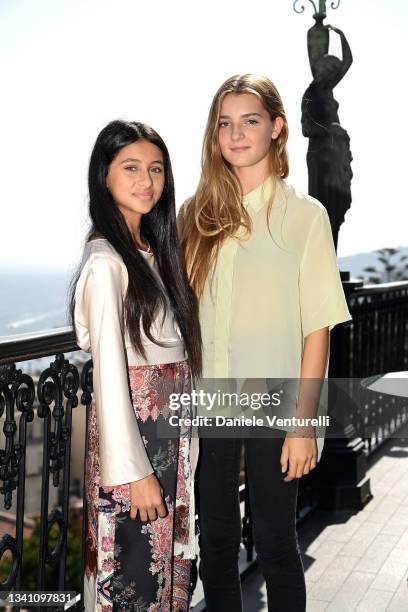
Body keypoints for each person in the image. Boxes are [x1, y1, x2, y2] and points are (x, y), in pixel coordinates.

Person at [178, 74, 352, 612]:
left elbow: (317, 327)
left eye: (250, 120)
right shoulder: (194, 216)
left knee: (277, 543)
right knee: (217, 545)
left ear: (277, 128)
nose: (236, 134)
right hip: (212, 402)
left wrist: (304, 424)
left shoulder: (306, 216)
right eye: (224, 123)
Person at [70, 120, 201, 611]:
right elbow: (109, 375)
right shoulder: (106, 262)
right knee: (131, 581)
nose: (147, 181)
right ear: (104, 176)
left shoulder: (155, 252)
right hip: (137, 450)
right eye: (131, 168)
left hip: (167, 443)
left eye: (156, 169)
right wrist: (136, 473)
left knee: (165, 581)